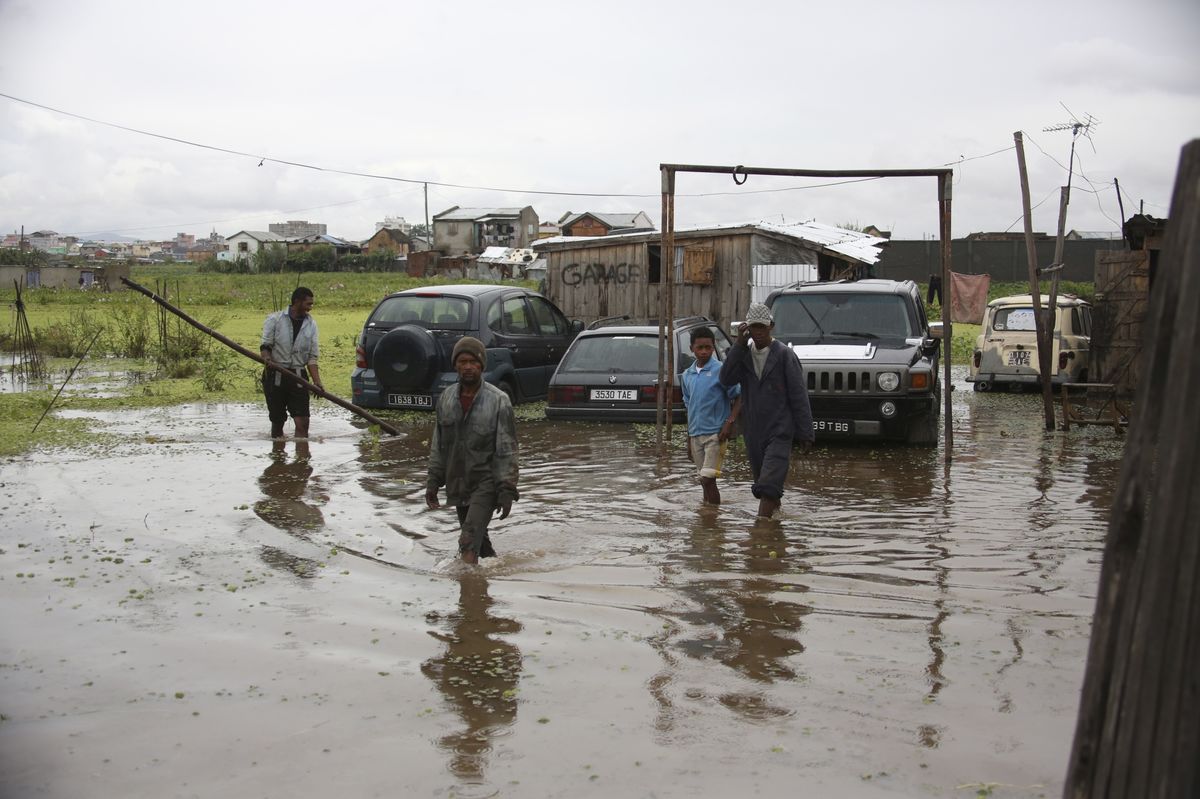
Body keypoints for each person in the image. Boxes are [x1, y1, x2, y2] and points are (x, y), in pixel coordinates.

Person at [426, 337, 520, 564]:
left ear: (481, 365)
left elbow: (507, 449)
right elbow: (439, 444)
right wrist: (433, 480)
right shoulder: (446, 399)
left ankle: (467, 594)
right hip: (458, 482)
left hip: (486, 483)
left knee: (467, 539)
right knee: (480, 543)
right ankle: (491, 583)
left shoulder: (499, 401)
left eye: (473, 362)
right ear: (455, 365)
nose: (468, 366)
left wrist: (506, 490)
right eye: (462, 361)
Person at [718, 302, 814, 518]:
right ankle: (775, 524)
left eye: (762, 327)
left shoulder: (784, 355)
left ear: (771, 326)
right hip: (754, 431)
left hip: (780, 430)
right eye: (753, 327)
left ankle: (761, 530)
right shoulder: (742, 355)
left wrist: (805, 432)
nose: (758, 332)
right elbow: (725, 380)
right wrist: (738, 346)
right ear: (747, 328)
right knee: (764, 483)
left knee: (769, 484)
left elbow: (798, 396)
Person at [680, 326, 741, 505]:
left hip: (716, 434)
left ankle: (712, 521)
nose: (704, 351)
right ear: (691, 349)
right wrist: (688, 440)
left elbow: (739, 397)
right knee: (704, 481)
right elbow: (688, 407)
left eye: (708, 347)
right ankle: (707, 517)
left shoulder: (721, 370)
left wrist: (729, 423)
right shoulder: (687, 375)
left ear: (713, 347)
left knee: (708, 479)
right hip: (695, 435)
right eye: (700, 348)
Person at [260, 287, 323, 439]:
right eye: (308, 304)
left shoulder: (311, 324)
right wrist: (267, 359)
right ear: (297, 301)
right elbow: (265, 346)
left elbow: (312, 357)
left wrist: (317, 382)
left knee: (303, 422)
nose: (310, 308)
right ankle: (278, 456)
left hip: (299, 377)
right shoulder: (274, 319)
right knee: (277, 422)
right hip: (275, 375)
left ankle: (301, 460)